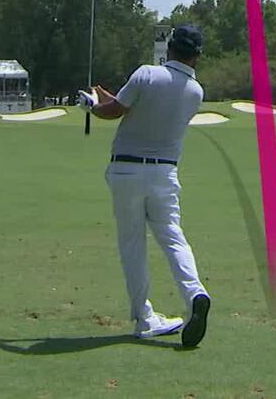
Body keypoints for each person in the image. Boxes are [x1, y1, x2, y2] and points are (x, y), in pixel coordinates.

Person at [85, 23, 213, 347]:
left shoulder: (145, 73)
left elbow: (115, 112)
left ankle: (144, 318)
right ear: (197, 56)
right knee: (173, 237)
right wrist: (110, 102)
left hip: (126, 171)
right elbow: (140, 109)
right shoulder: (195, 92)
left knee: (133, 244)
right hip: (164, 174)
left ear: (169, 47)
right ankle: (195, 292)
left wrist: (92, 105)